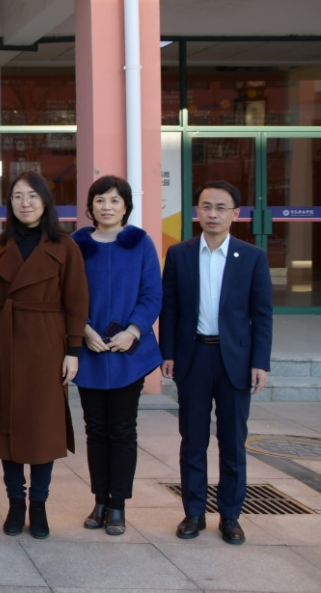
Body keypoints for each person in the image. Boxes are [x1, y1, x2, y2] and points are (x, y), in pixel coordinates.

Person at [0, 171, 88, 539]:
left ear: (45, 202)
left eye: (32, 196)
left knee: (43, 428)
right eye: (17, 196)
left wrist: (73, 350)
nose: (25, 203)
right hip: (4, 340)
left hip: (47, 344)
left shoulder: (65, 246)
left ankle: (38, 504)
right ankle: (15, 502)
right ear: (9, 203)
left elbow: (76, 300)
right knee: (6, 426)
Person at [161, 180, 272, 546]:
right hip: (194, 356)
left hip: (234, 360)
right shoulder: (179, 254)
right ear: (197, 211)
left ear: (235, 214)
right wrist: (168, 353)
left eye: (221, 208)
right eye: (206, 206)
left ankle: (230, 515)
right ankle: (193, 512)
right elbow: (170, 308)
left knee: (233, 442)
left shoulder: (252, 257)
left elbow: (262, 314)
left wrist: (260, 361)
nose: (212, 214)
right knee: (192, 439)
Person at [71, 176, 163, 536]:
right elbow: (67, 293)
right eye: (100, 200)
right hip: (90, 350)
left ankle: (118, 505)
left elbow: (152, 293)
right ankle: (99, 500)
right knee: (95, 430)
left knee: (123, 429)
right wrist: (84, 330)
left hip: (128, 353)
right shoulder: (78, 244)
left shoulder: (140, 242)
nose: (106, 207)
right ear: (90, 206)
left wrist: (132, 331)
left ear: (126, 206)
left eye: (114, 200)